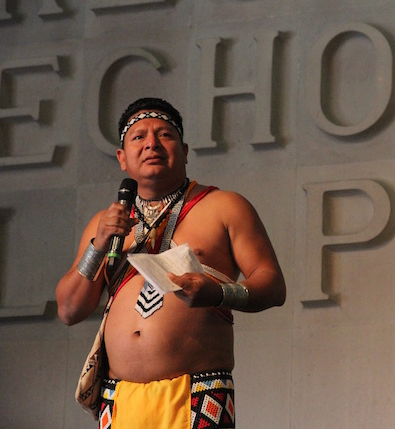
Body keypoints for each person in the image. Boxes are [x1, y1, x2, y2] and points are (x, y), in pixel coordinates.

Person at [56, 97, 286, 428]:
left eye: (164, 134)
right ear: (122, 158)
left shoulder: (224, 206)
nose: (152, 143)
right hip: (119, 398)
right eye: (138, 137)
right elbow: (68, 310)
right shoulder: (104, 223)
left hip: (198, 393)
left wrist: (220, 294)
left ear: (185, 149)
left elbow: (273, 285)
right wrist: (99, 245)